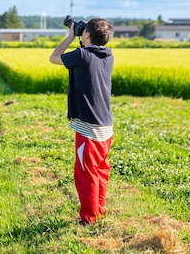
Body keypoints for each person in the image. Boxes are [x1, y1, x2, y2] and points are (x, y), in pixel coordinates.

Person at [49, 18, 115, 225]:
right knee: (101, 170)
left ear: (86, 34)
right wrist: (86, 34)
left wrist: (70, 37)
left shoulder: (82, 55)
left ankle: (89, 218)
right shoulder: (108, 55)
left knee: (85, 173)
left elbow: (54, 57)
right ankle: (98, 211)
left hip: (89, 127)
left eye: (83, 30)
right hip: (106, 125)